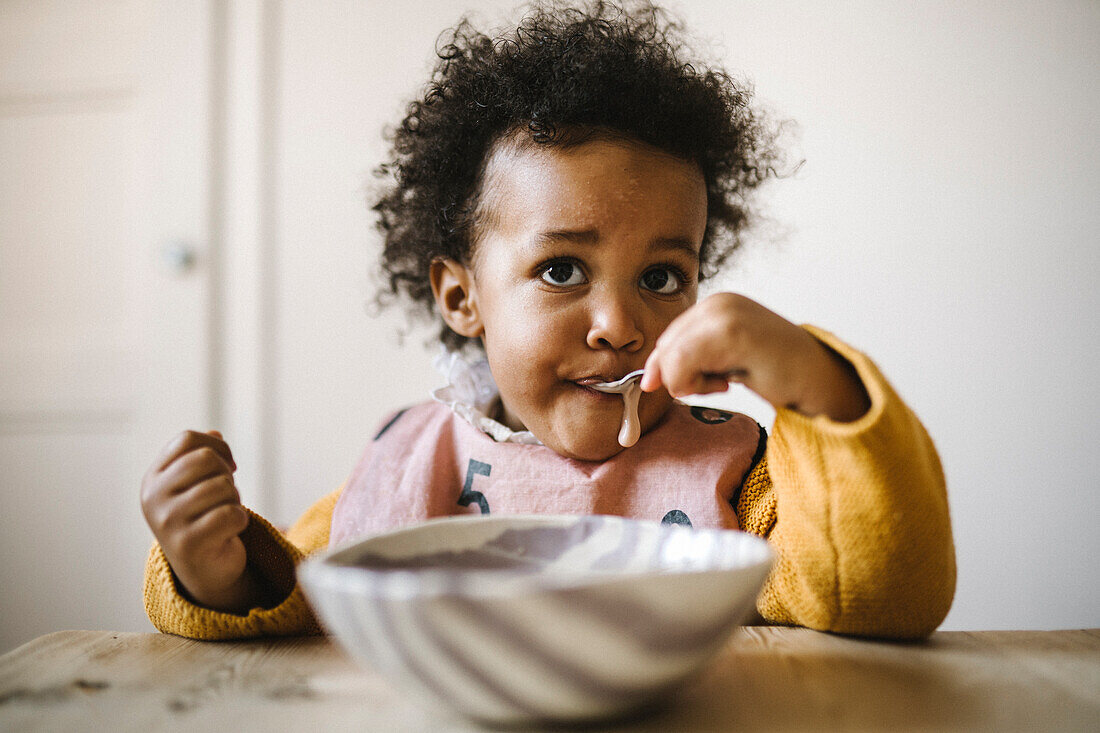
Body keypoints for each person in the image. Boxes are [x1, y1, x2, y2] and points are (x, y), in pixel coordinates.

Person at [141, 0, 955, 641]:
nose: (618, 324)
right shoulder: (411, 461)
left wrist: (817, 380)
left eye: (663, 276)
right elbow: (299, 599)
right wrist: (220, 568)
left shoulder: (738, 481)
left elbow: (883, 591)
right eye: (561, 269)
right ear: (462, 298)